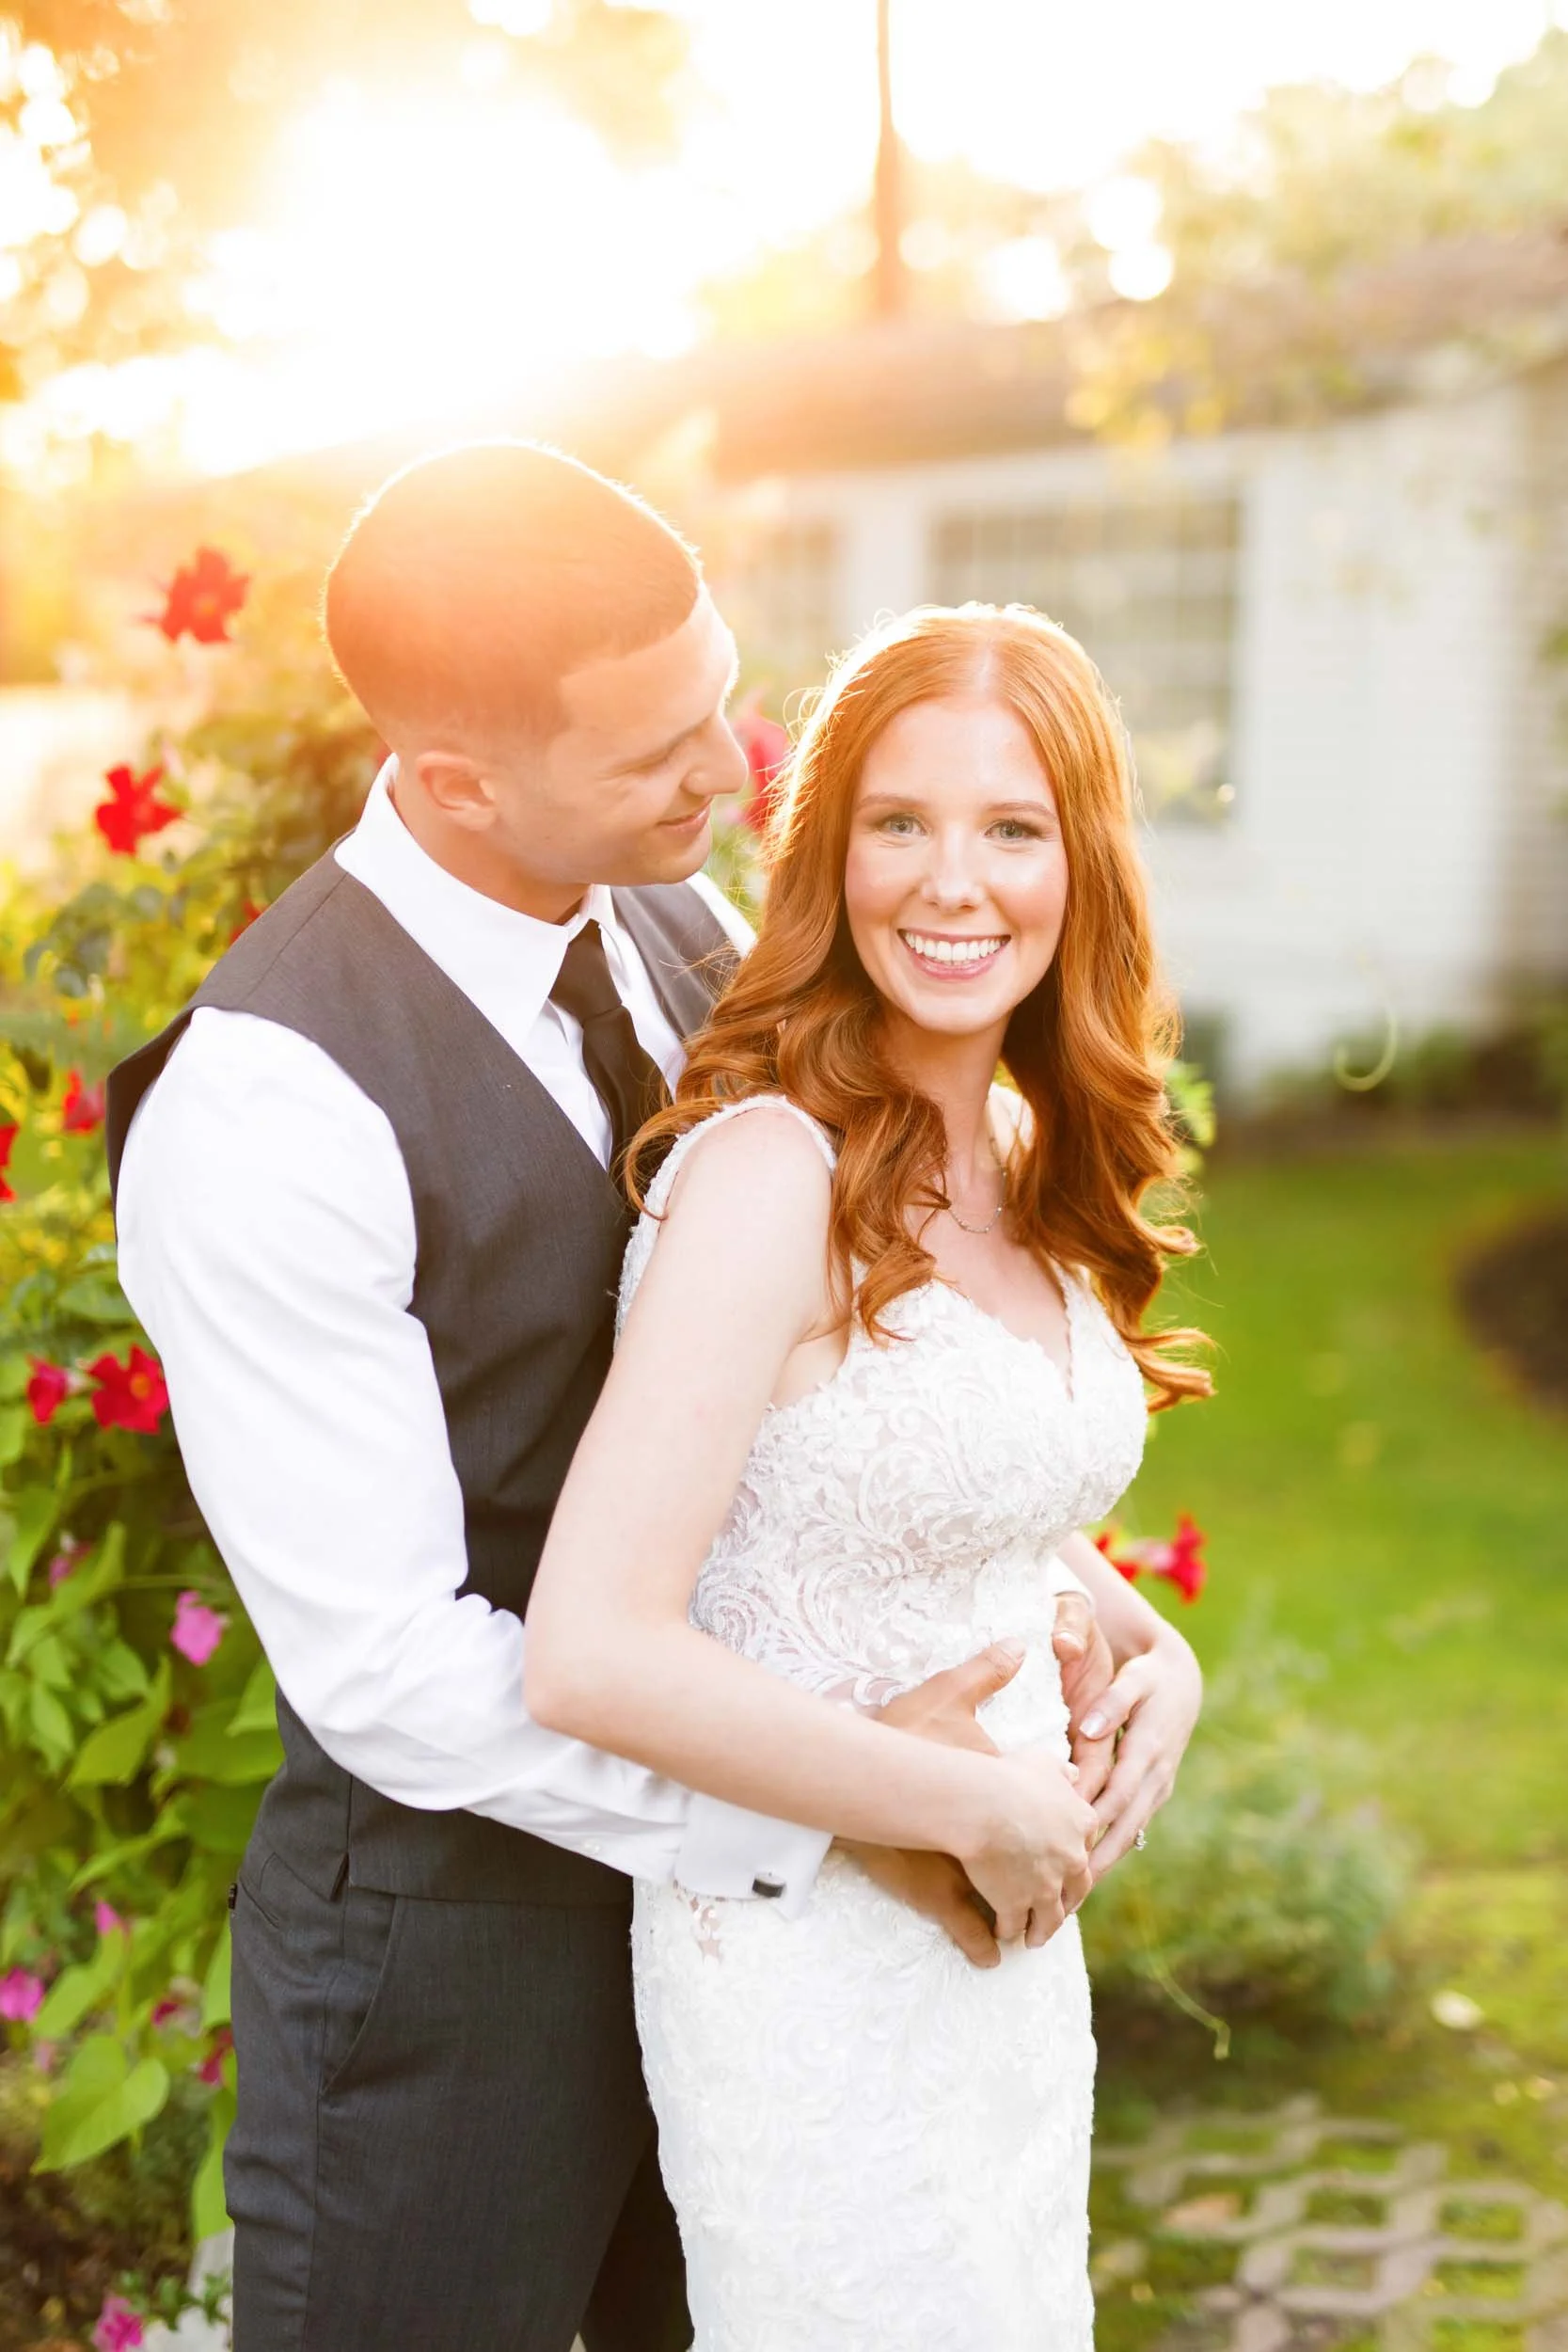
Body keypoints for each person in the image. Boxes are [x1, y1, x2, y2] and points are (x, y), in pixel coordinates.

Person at [103, 444, 1169, 2352]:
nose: (735, 772)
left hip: (770, 1975)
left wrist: (1076, 1601)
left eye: (723, 700)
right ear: (453, 783)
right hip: (455, 1979)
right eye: (662, 750)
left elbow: (805, 1407)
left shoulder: (684, 936)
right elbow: (389, 1667)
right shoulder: (270, 1112)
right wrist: (836, 1806)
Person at [524, 601, 1211, 2351]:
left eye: (1011, 827)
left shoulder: (1016, 1142)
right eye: (900, 821)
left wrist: (1158, 1656)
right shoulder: (768, 1173)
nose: (950, 882)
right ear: (827, 850)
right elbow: (591, 1648)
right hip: (812, 1985)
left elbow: (947, 1499)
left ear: (1083, 865)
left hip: (998, 1979)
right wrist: (960, 1803)